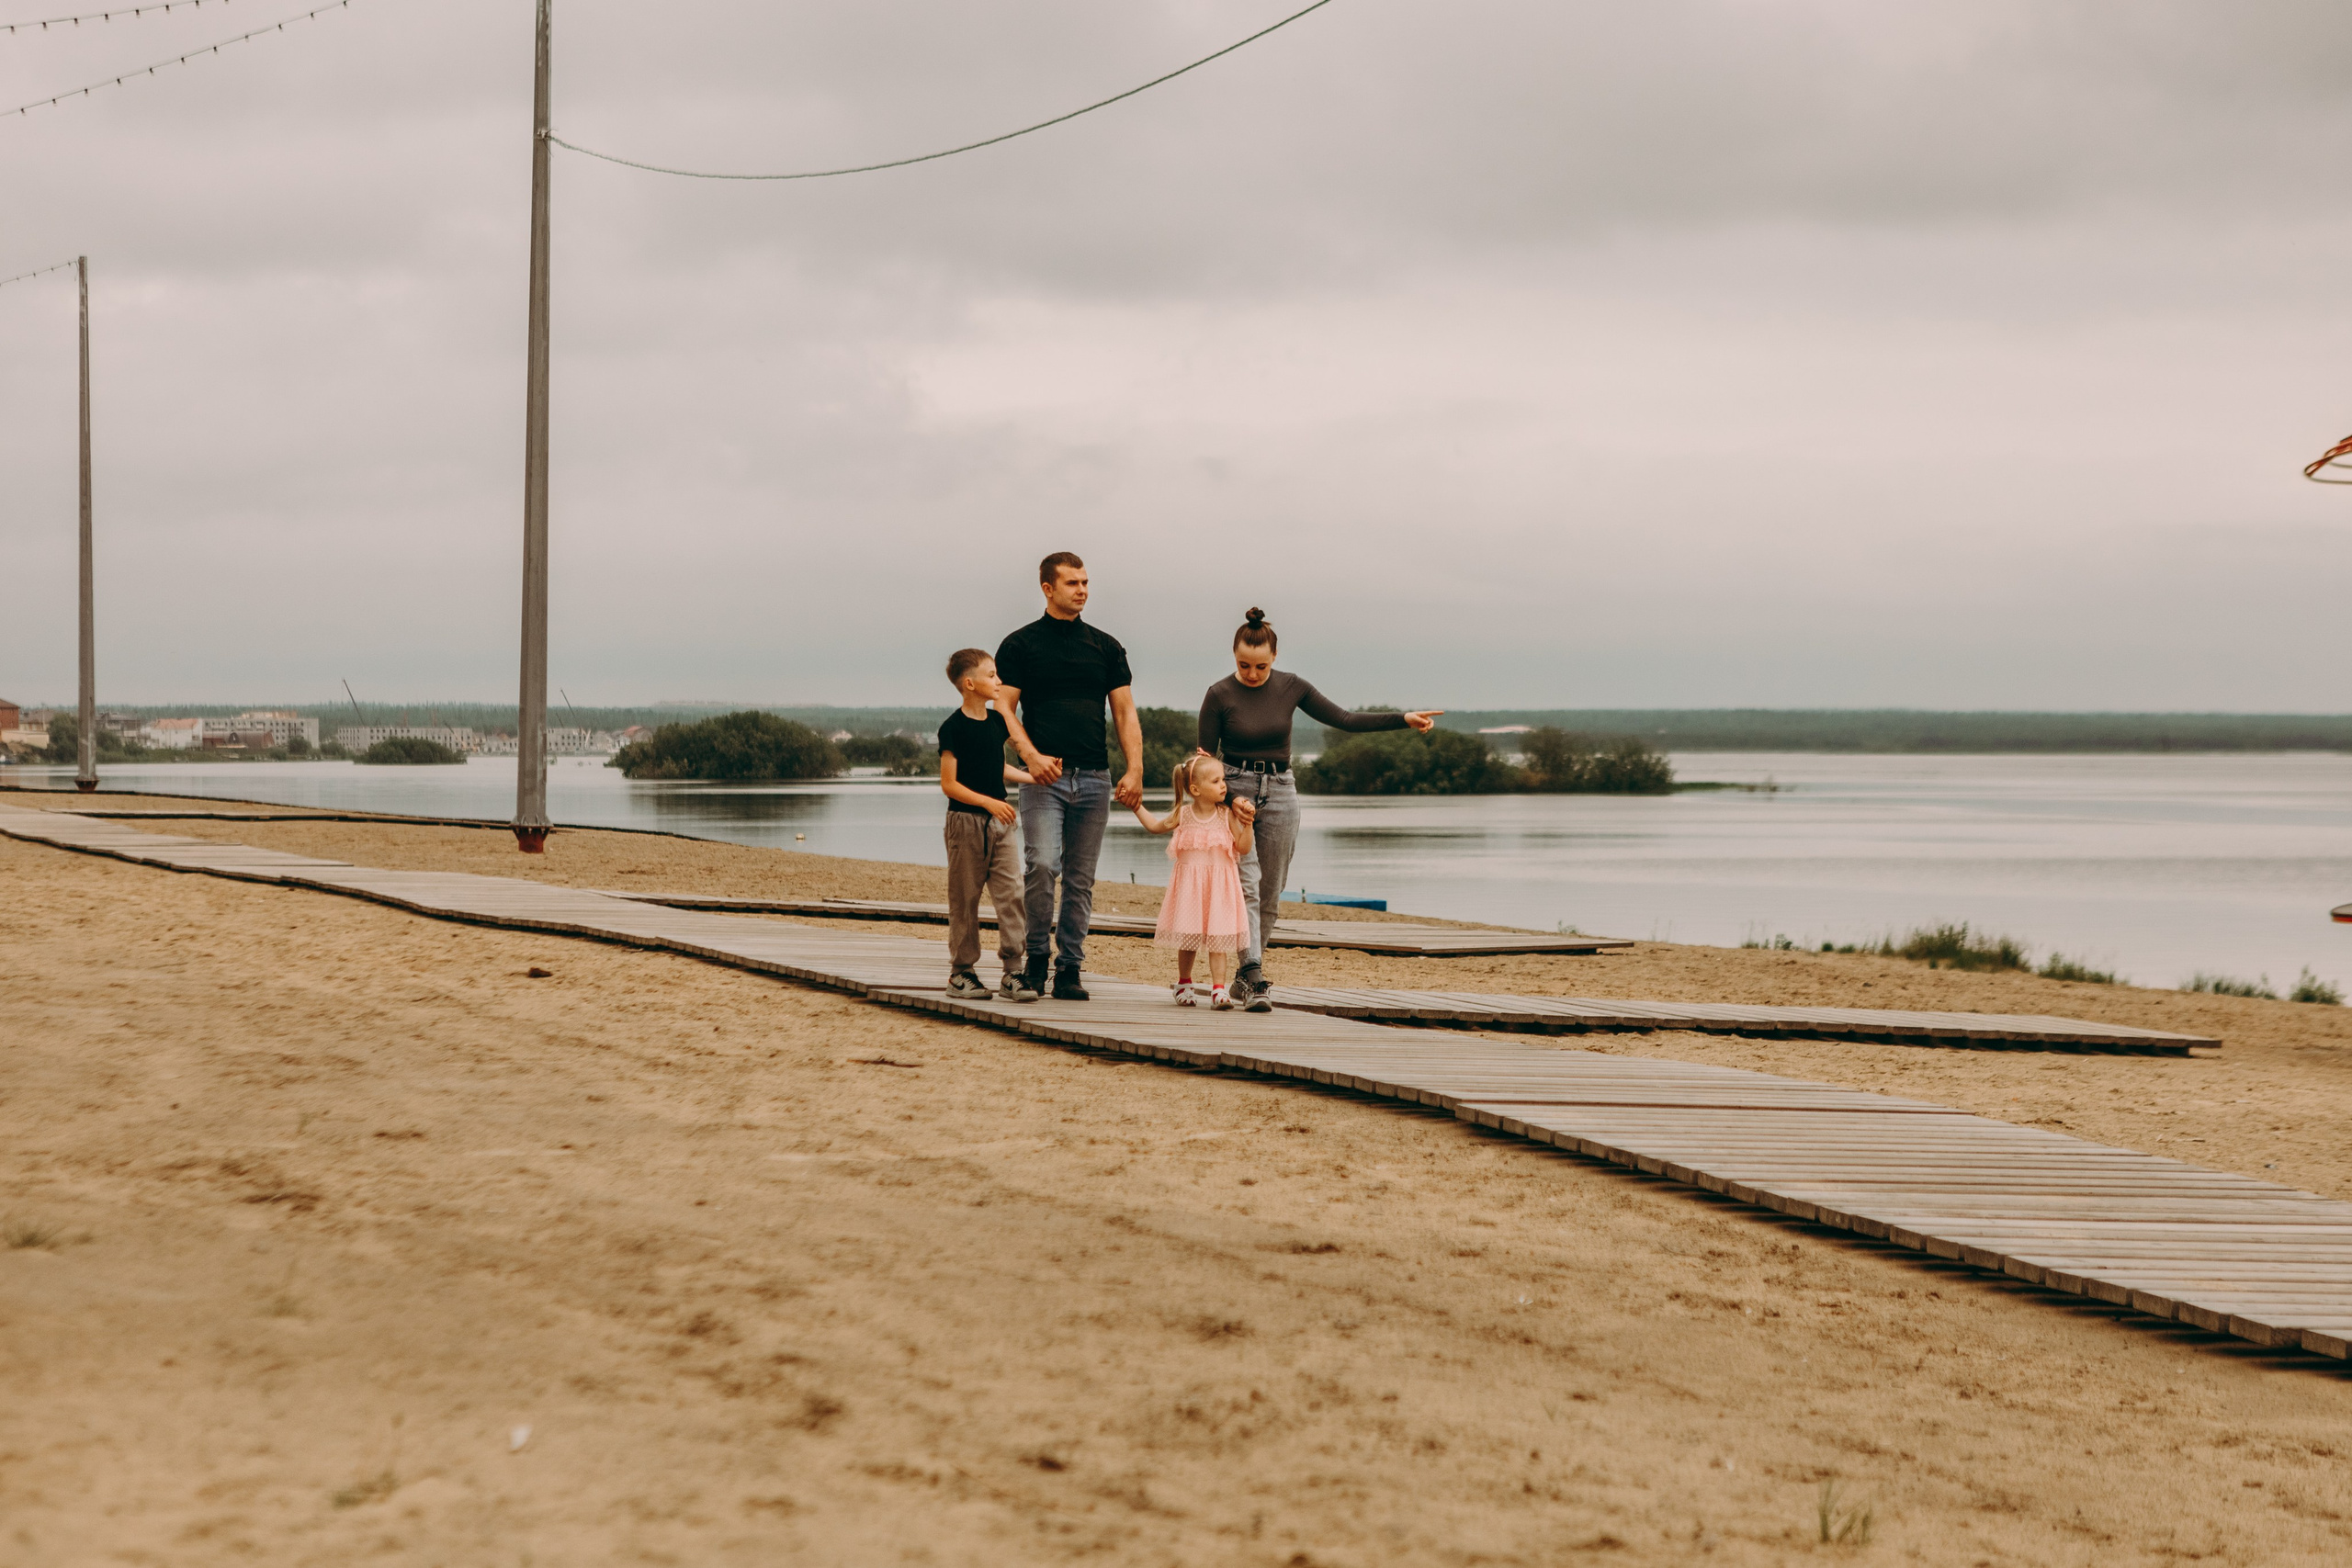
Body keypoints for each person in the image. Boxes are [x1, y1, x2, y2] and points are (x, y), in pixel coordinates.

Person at [1198, 607, 1443, 1011]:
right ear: (1234, 656)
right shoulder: (1219, 694)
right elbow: (1203, 760)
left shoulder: (1293, 687)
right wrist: (1227, 800)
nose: (1253, 674)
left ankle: (1246, 975)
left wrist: (1403, 719)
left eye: (1260, 666)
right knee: (1245, 886)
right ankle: (1255, 974)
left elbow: (1345, 719)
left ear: (1274, 658)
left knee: (1271, 891)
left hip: (1280, 792)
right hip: (1234, 789)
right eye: (1244, 665)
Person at [993, 552, 1145, 1001]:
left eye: (1085, 582)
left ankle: (1071, 969)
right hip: (1045, 780)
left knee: (1081, 879)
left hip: (1095, 777)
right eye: (1072, 583)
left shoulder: (1106, 646)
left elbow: (1124, 711)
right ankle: (1036, 961)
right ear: (1047, 588)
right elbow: (1003, 708)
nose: (1081, 590)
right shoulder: (1020, 645)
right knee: (1041, 866)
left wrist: (1134, 769)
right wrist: (1030, 757)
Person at [937, 649, 1039, 1002]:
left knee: (1012, 894)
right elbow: (949, 784)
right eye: (992, 675)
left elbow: (996, 768)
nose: (999, 681)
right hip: (965, 823)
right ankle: (961, 973)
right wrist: (988, 801)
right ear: (970, 683)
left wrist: (1032, 777)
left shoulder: (997, 724)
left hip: (1001, 823)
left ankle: (1013, 973)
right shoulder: (952, 728)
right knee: (965, 899)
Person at [1130, 750, 1256, 1010]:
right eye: (1216, 781)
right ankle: (1184, 984)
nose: (1224, 785)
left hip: (1219, 889)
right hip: (1190, 889)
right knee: (1188, 939)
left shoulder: (1227, 815)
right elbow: (1154, 826)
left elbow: (1243, 848)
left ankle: (1218, 990)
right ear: (1195, 789)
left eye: (1223, 780)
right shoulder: (1183, 815)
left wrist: (1249, 825)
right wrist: (1136, 806)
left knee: (1218, 940)